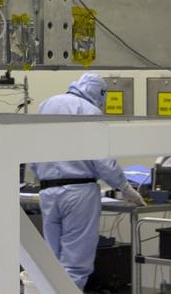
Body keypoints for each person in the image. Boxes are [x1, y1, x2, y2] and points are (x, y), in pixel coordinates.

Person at [32, 72, 146, 289]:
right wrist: (124, 187)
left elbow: (32, 151)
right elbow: (103, 161)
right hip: (78, 193)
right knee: (75, 265)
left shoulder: (47, 104)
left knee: (50, 263)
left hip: (47, 192)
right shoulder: (90, 111)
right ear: (100, 93)